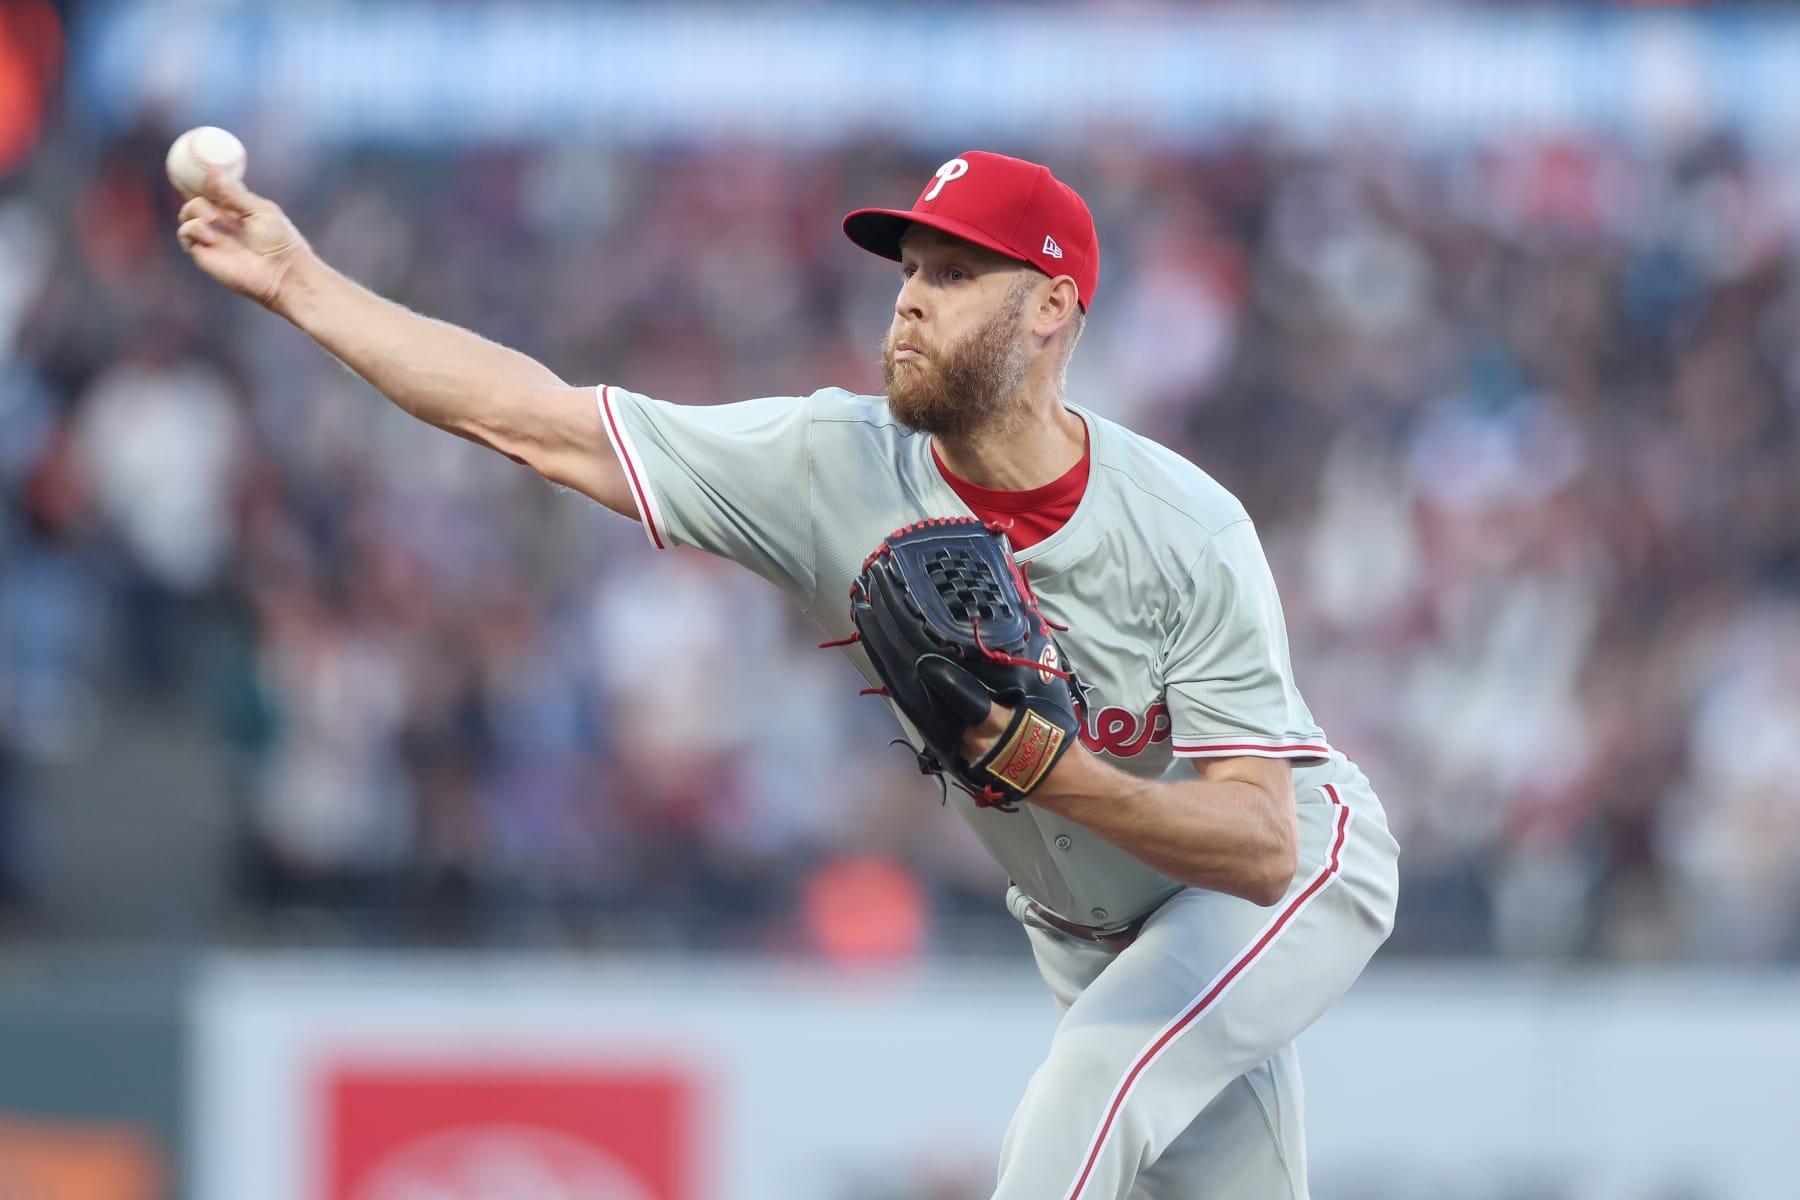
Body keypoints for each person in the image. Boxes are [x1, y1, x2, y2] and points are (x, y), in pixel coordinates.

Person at [177, 149, 1400, 1199]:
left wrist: (1057, 775)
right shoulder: (833, 467)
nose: (912, 302)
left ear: (1052, 311)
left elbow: (1257, 846)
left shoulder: (1186, 526)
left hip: (1289, 872)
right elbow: (536, 418)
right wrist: (299, 282)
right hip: (1088, 923)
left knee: (1097, 1078)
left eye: (958, 274)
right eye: (910, 270)